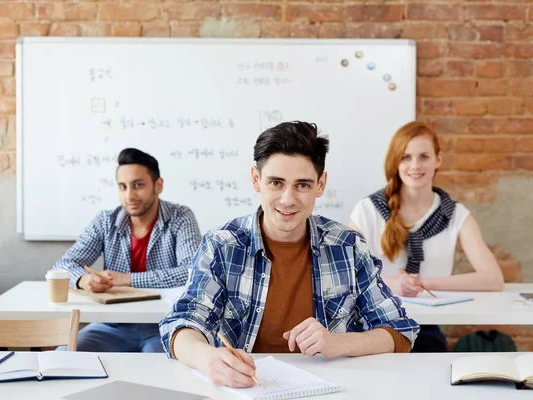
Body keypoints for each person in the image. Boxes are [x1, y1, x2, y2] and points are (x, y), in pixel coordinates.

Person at [159, 121, 419, 388]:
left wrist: (338, 342)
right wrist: (207, 359)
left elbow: (401, 331)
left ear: (321, 184)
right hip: (246, 390)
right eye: (276, 183)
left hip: (333, 390)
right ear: (256, 180)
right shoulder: (221, 245)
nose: (287, 199)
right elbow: (180, 323)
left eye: (302, 185)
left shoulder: (348, 246)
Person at [349, 121, 504, 352]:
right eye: (406, 157)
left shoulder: (456, 214)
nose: (415, 166)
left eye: (424, 157)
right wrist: (393, 284)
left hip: (425, 327)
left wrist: (425, 284)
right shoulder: (367, 209)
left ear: (438, 160)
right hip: (372, 324)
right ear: (396, 161)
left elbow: (493, 279)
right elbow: (347, 273)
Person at [53, 148, 201, 352]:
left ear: (158, 186)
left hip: (164, 325)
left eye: (138, 185)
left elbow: (190, 272)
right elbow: (63, 265)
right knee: (63, 356)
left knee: (162, 372)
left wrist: (127, 279)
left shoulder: (180, 217)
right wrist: (83, 280)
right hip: (112, 325)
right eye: (122, 187)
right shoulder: (106, 221)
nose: (129, 195)